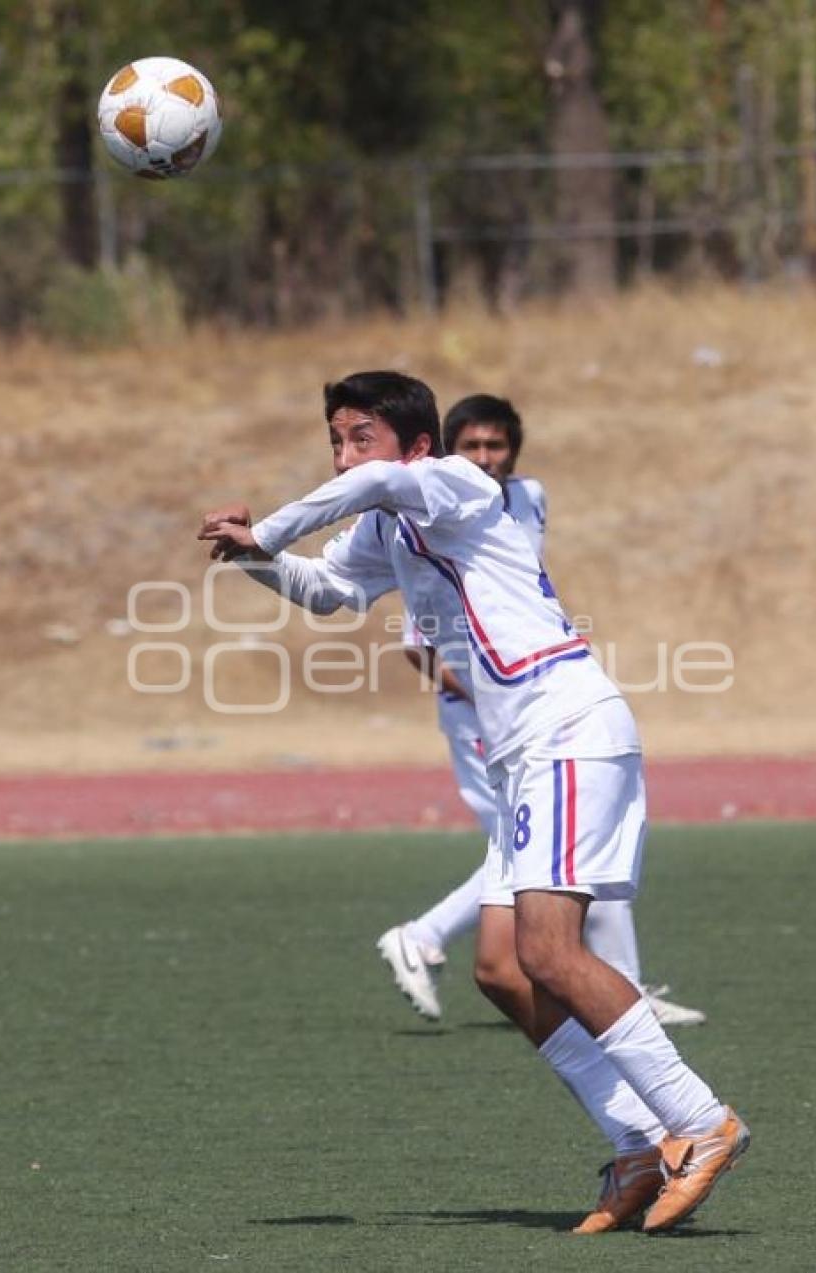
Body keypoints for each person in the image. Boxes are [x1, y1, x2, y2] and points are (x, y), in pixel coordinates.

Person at [198, 370, 749, 1235]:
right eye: (334, 438)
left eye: (359, 436)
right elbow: (333, 593)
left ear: (416, 444)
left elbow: (376, 484)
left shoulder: (454, 479)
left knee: (551, 950)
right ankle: (636, 1141)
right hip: (521, 757)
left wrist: (266, 522)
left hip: (568, 727)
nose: (345, 455)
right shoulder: (387, 518)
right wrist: (257, 558)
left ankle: (701, 1119)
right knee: (500, 964)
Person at [377, 394, 706, 1028]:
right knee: (538, 852)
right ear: (448, 451)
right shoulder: (431, 510)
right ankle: (421, 935)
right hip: (485, 713)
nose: (483, 457)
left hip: (539, 698)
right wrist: (490, 690)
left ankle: (624, 989)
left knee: (576, 845)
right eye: (469, 446)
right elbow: (415, 643)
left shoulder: (529, 497)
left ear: (514, 450)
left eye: (494, 446)